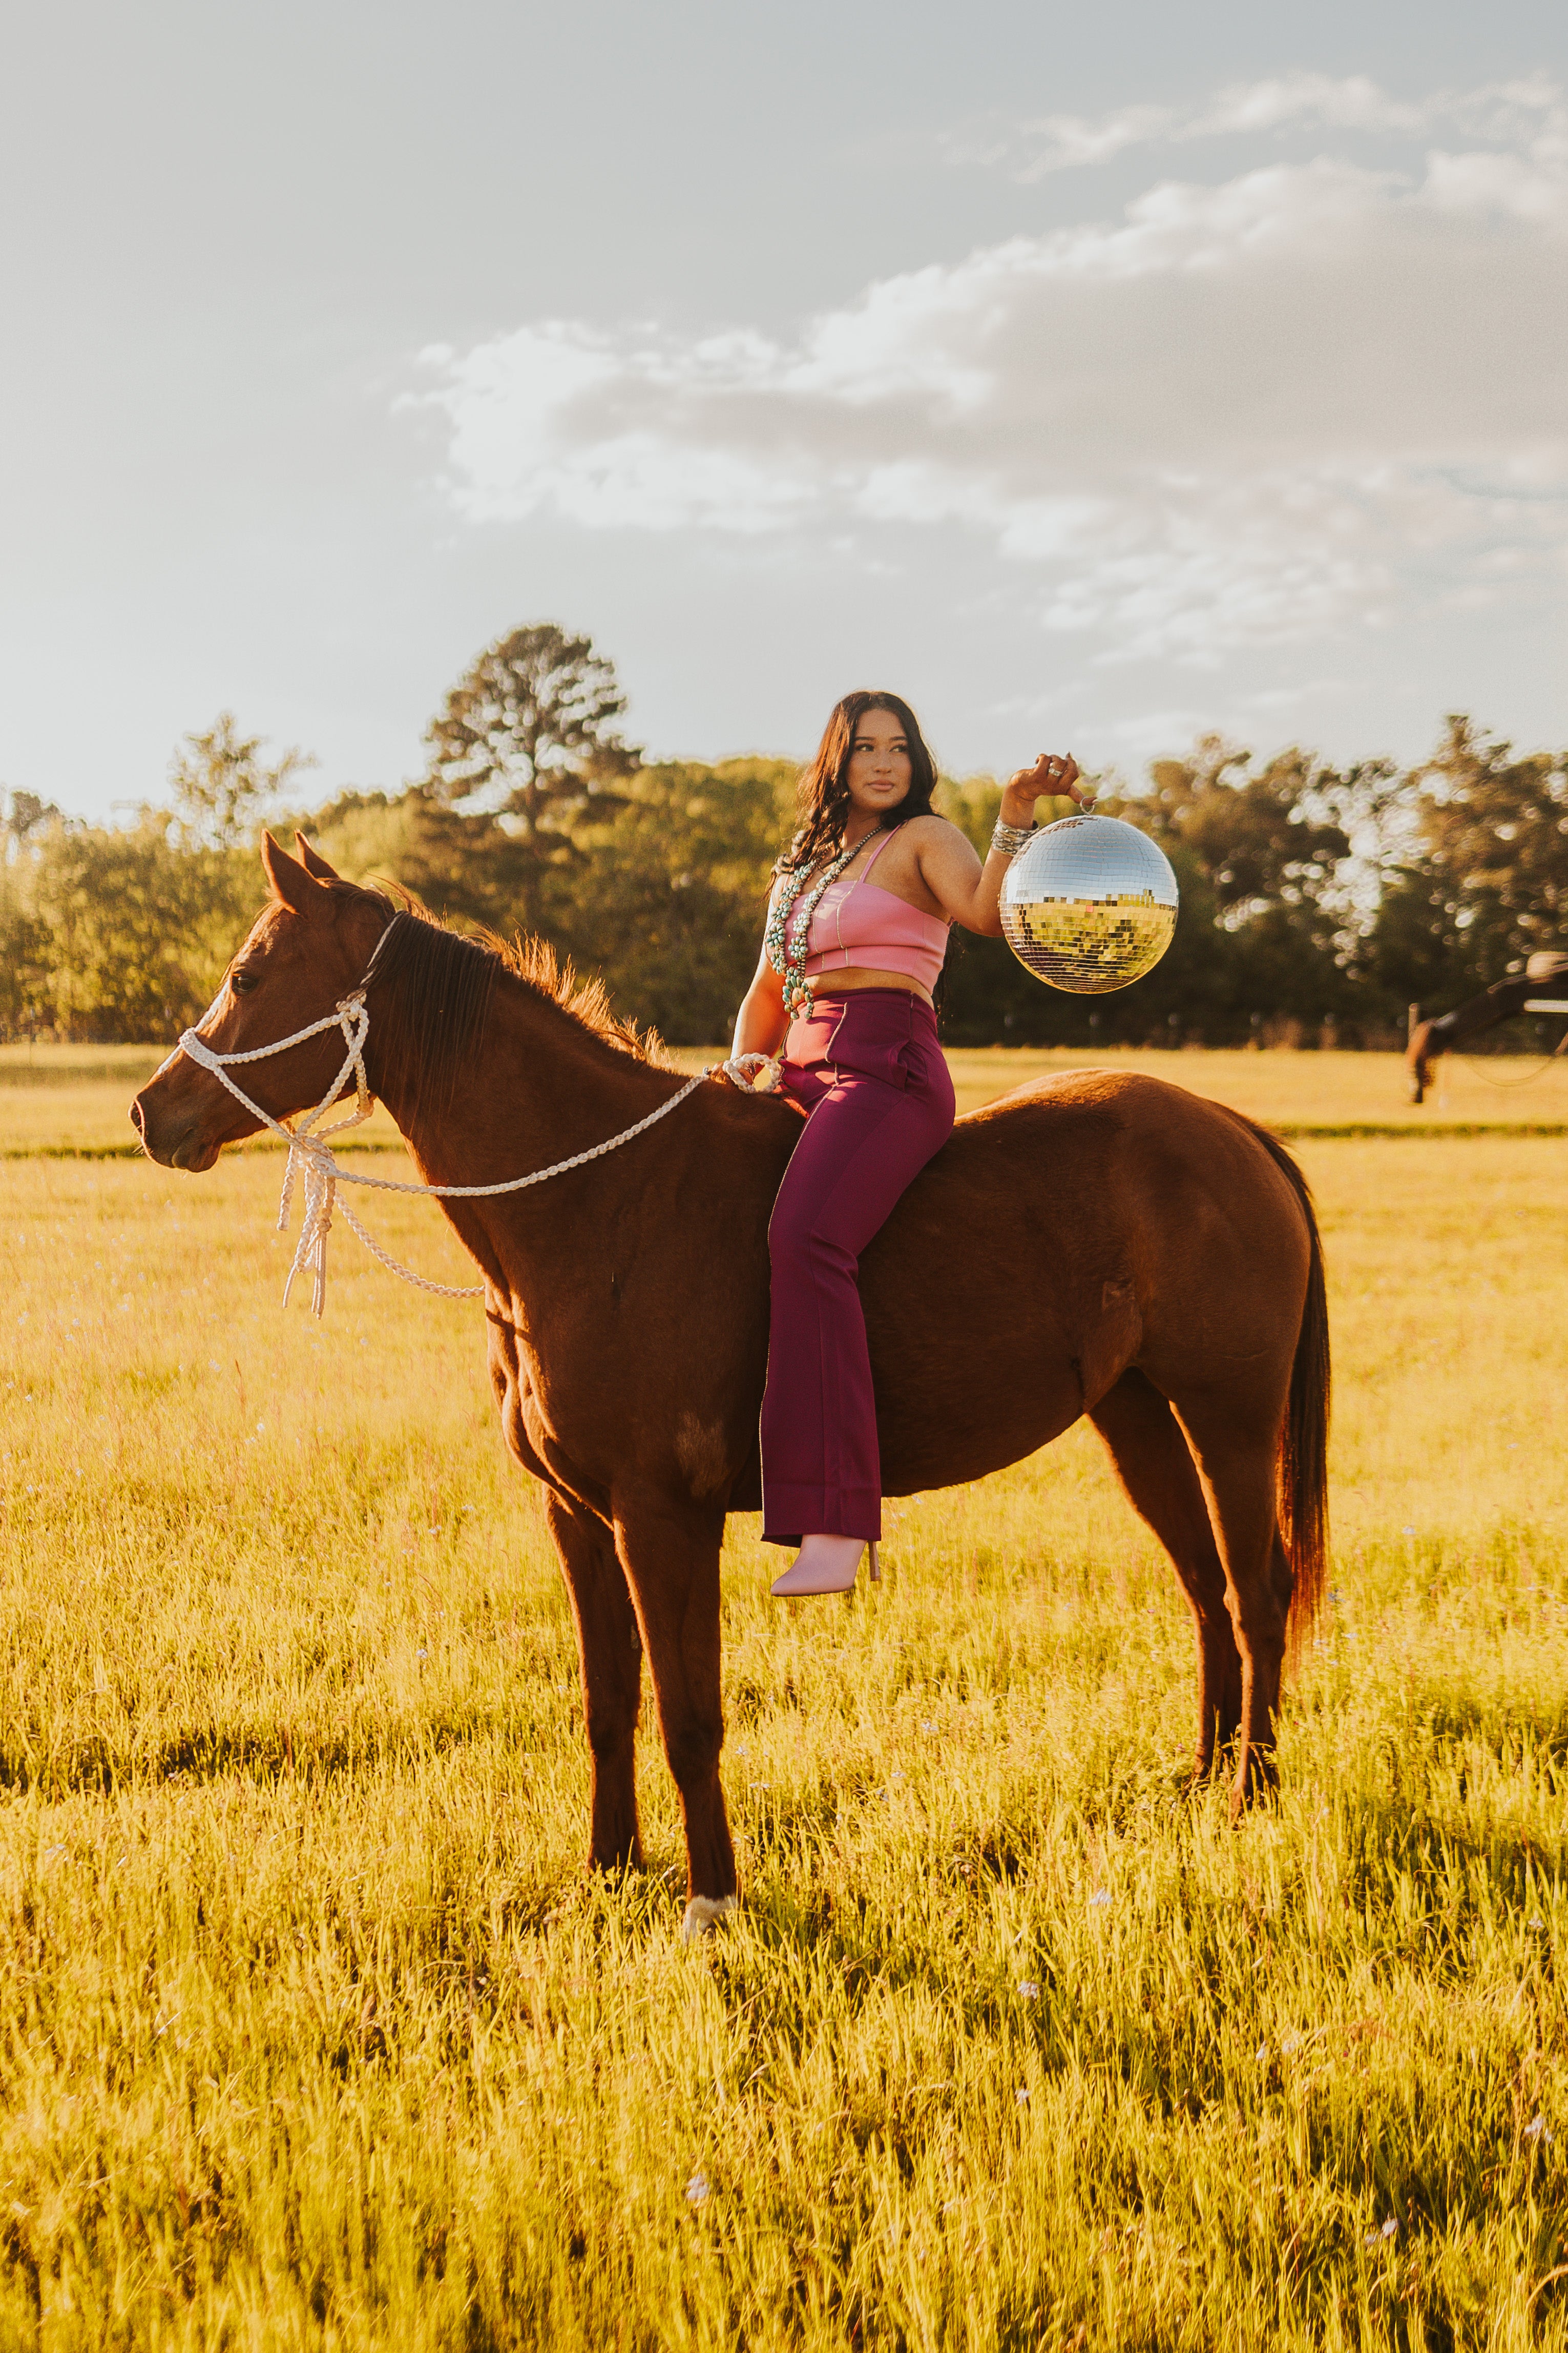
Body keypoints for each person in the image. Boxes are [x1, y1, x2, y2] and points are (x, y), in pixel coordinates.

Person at [724, 690, 1085, 1598]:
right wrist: (741, 1063)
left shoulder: (925, 838)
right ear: (835, 762)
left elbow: (984, 916)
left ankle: (837, 1526)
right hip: (797, 1062)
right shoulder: (800, 868)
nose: (883, 763)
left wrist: (1011, 814)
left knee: (806, 1239)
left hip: (885, 1067)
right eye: (865, 748)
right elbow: (767, 991)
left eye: (898, 747)